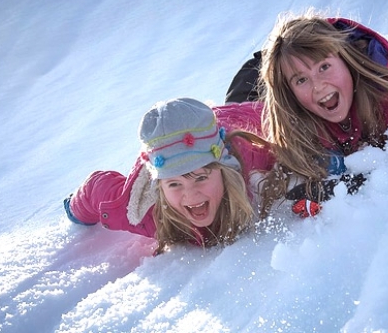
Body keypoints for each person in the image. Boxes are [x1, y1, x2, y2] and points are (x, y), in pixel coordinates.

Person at [235, 8, 388, 216]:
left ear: (347, 61)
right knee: (248, 90)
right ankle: (278, 61)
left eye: (324, 67)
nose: (318, 86)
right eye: (301, 79)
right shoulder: (297, 117)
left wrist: (342, 185)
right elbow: (242, 122)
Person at [63, 98, 274, 253]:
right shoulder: (142, 211)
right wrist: (75, 209)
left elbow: (279, 120)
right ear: (159, 187)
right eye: (174, 184)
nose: (190, 195)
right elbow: (96, 189)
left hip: (237, 117)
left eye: (200, 177)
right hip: (177, 145)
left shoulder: (250, 158)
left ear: (223, 170)